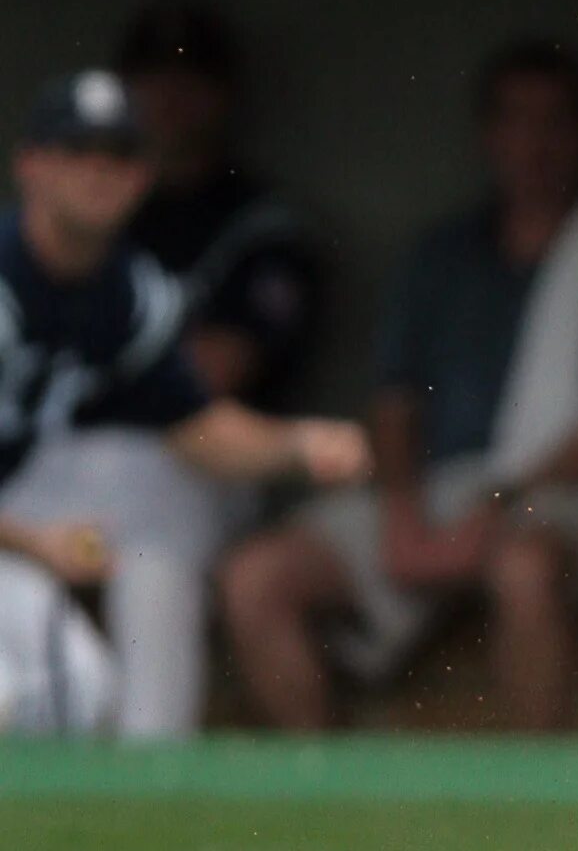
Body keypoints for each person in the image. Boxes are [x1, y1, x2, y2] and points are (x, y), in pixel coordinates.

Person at [220, 39, 578, 730]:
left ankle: (534, 806)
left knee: (524, 568)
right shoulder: (443, 254)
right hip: (441, 493)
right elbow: (395, 401)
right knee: (255, 576)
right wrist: (404, 516)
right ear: (489, 135)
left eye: (555, 122)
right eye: (517, 121)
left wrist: (496, 503)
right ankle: (319, 787)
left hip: (576, 495)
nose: (536, 143)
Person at [0, 70, 368, 738]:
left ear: (142, 176)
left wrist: (297, 445)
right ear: (30, 165)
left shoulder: (130, 291)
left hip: (21, 522)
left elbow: (190, 426)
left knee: (85, 676)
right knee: (49, 692)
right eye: (76, 152)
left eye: (116, 155)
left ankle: (154, 765)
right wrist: (32, 542)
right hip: (13, 530)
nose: (98, 173)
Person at [115, 0, 323, 408]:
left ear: (226, 92)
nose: (170, 93)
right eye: (153, 75)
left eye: (190, 76)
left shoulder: (265, 222)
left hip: (214, 450)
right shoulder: (99, 213)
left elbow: (212, 373)